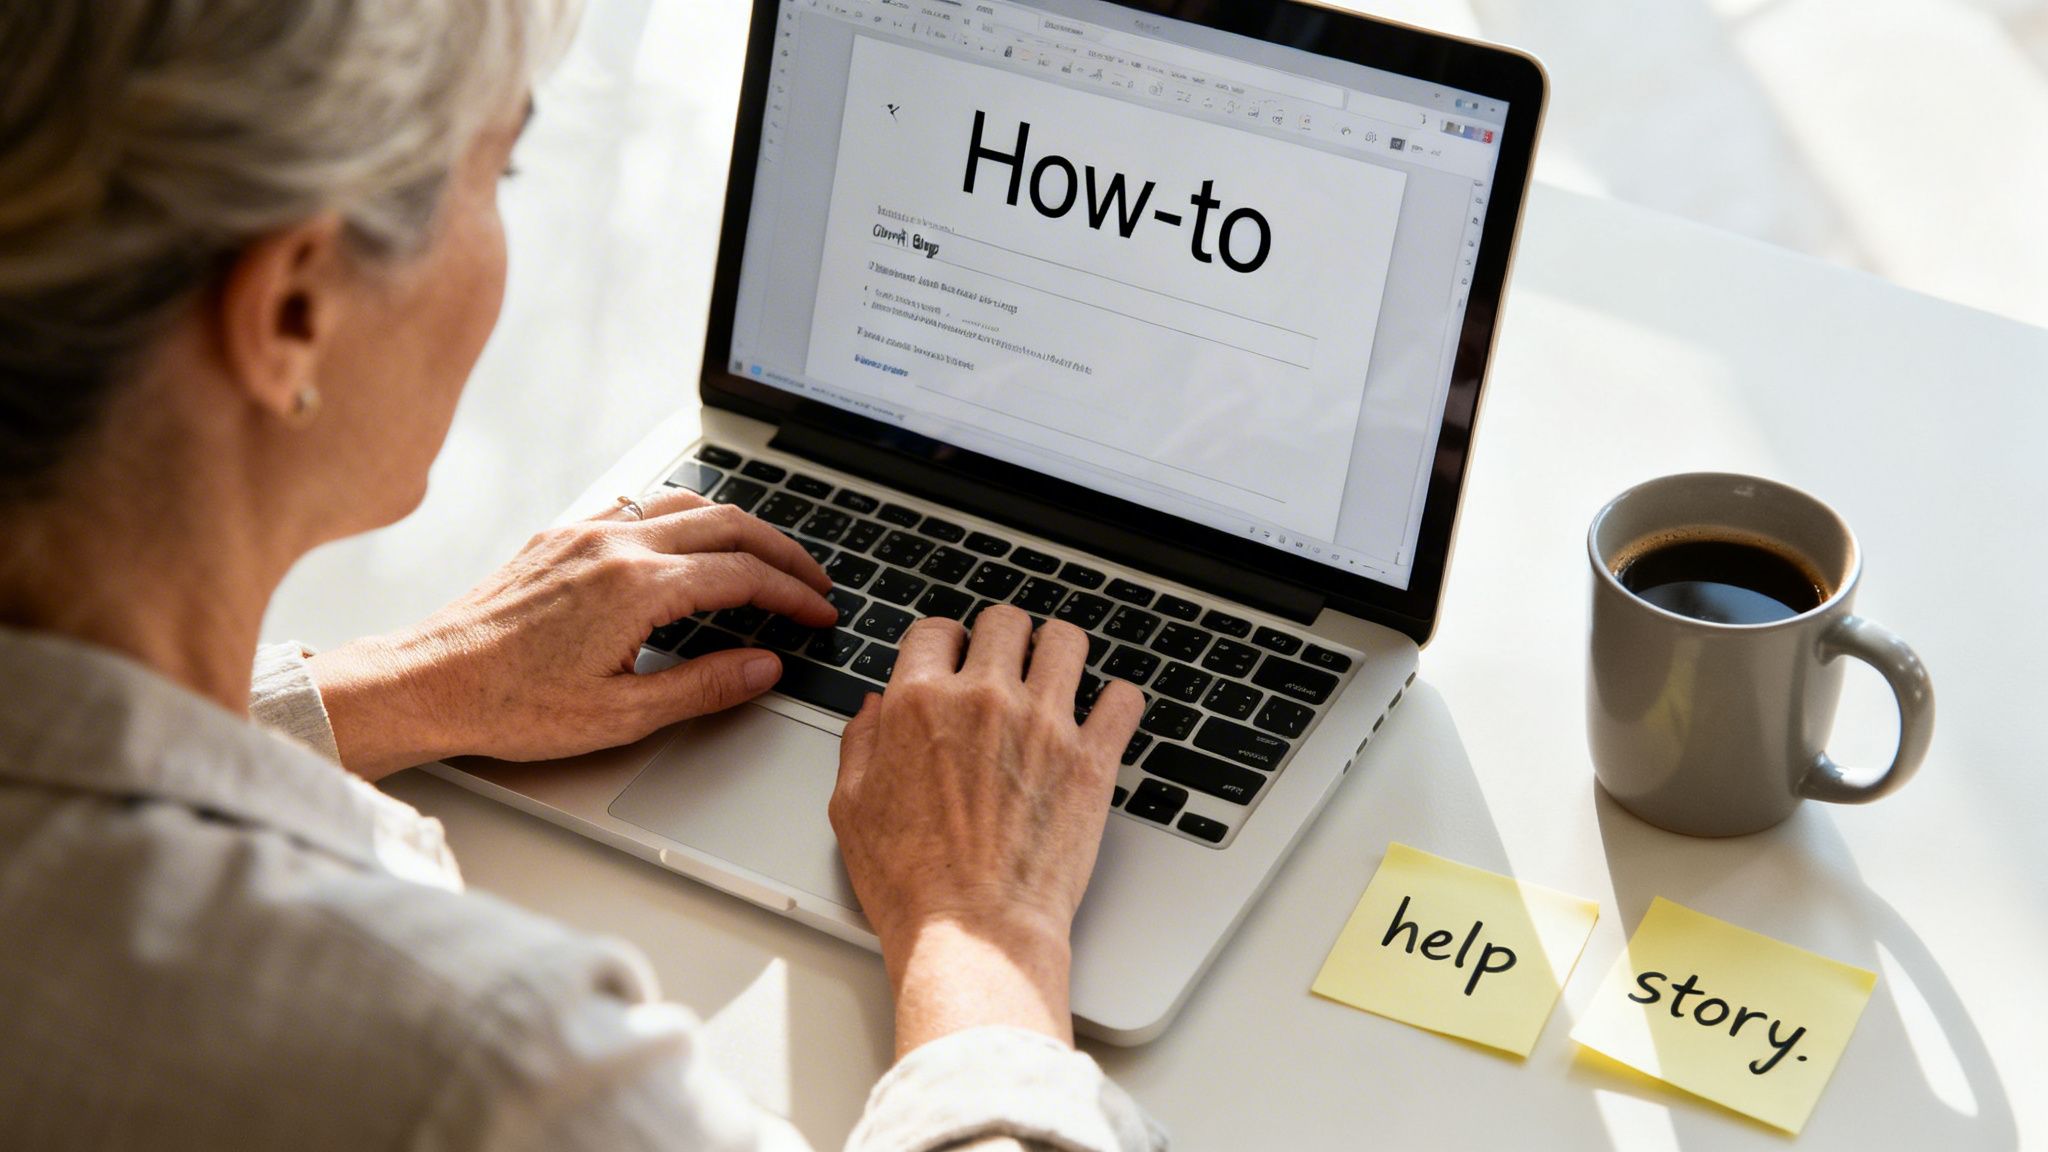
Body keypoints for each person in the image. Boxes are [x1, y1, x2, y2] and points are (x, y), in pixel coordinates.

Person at [0, 2, 1163, 1148]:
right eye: (495, 173)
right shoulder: (480, 1062)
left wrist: (400, 685)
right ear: (293, 310)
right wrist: (981, 929)